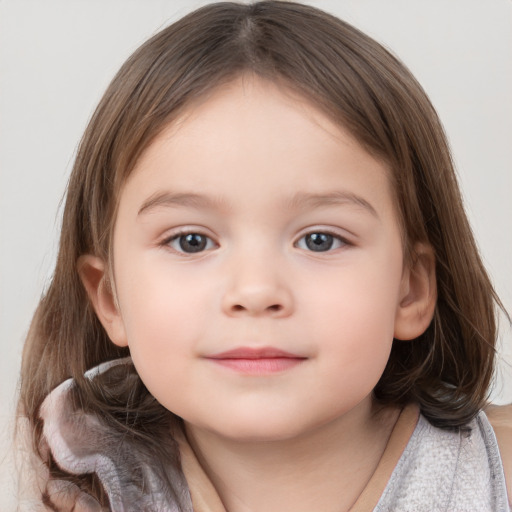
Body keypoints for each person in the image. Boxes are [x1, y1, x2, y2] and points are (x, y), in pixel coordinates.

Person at [16, 1, 511, 510]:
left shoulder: (497, 475)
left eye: (320, 239)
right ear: (110, 299)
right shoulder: (70, 487)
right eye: (191, 241)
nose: (255, 291)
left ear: (410, 289)